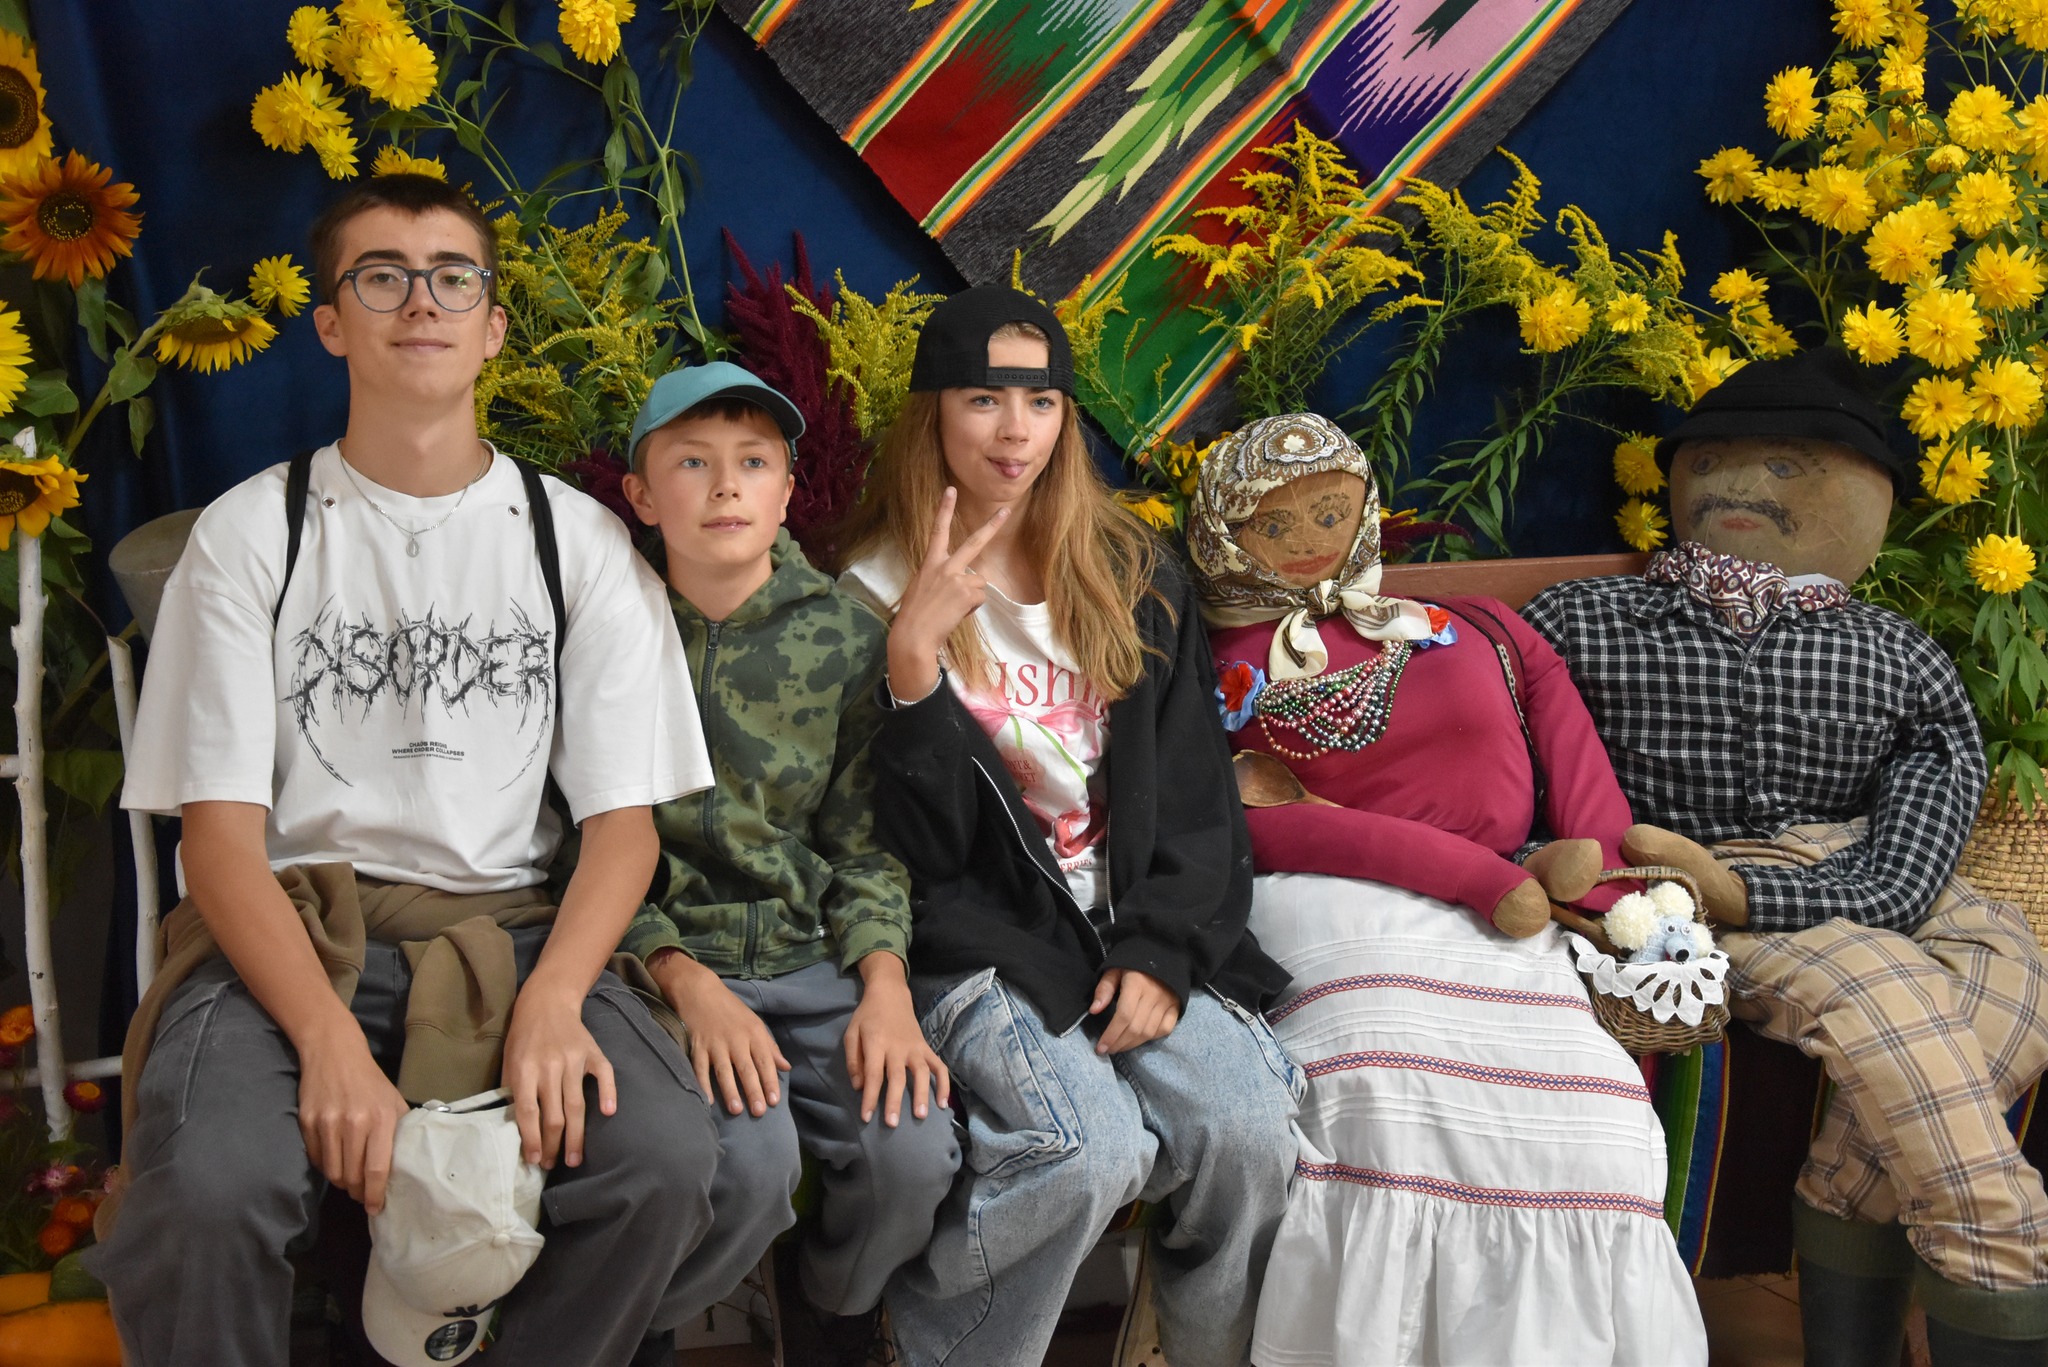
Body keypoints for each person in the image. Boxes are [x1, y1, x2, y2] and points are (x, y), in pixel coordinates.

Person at [88, 173, 743, 1366]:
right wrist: (326, 1039)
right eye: (381, 277)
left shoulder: (578, 542)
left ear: (492, 325)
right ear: (331, 323)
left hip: (514, 926)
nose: (421, 302)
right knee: (211, 1184)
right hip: (296, 925)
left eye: (452, 277)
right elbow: (219, 843)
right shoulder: (253, 533)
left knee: (665, 1158)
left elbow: (622, 828)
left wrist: (554, 1000)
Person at [1523, 348, 2048, 1367]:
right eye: (1710, 459)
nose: (1736, 485)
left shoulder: (1899, 651)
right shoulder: (1582, 620)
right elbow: (1516, 774)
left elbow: (1920, 834)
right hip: (1693, 873)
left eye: (1782, 466)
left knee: (2013, 983)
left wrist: (1788, 892)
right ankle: (2000, 1246)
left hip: (1883, 871)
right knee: (1885, 992)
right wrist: (1614, 877)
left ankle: (1842, 1214)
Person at [834, 285, 1300, 1367]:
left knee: (1246, 1129)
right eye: (983, 398)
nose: (1015, 431)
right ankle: (937, 1346)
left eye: (1039, 402)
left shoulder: (1133, 572)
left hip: (1129, 924)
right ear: (932, 412)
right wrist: (912, 669)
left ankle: (1198, 1353)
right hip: (984, 943)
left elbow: (1197, 796)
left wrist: (1163, 951)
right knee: (1085, 1150)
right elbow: (912, 856)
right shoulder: (869, 590)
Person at [1187, 412, 1705, 1367]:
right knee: (1386, 1112)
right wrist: (1469, 875)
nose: (1308, 543)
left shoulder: (1476, 624)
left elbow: (1570, 746)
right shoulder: (1200, 663)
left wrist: (1606, 887)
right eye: (1272, 524)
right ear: (1222, 532)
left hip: (1522, 907)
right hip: (1327, 897)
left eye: (1331, 513)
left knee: (1594, 1119)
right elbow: (1231, 817)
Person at [615, 360, 962, 1364]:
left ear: (785, 491)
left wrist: (885, 983)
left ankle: (830, 1309)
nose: (725, 485)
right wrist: (679, 976)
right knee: (749, 1167)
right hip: (665, 962)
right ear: (641, 495)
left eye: (753, 462)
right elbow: (575, 847)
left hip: (810, 957)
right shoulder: (608, 634)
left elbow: (863, 841)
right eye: (692, 462)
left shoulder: (846, 636)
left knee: (911, 1153)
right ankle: (632, 1324)